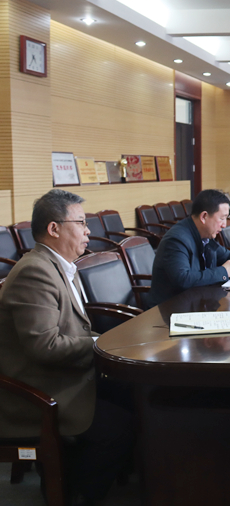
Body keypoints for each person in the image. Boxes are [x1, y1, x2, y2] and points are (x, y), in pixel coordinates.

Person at [0, 189, 135, 505]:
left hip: (64, 374)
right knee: (121, 427)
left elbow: (75, 331)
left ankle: (79, 477)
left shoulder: (60, 266)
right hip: (37, 391)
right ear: (54, 228)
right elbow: (44, 347)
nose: (88, 231)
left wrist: (106, 343)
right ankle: (73, 493)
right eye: (81, 222)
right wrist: (102, 346)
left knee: (136, 395)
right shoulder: (35, 272)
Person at [148, 189, 230, 307]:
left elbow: (227, 255)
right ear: (204, 217)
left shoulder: (204, 234)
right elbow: (183, 279)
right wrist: (224, 272)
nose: (224, 225)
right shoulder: (177, 240)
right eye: (222, 218)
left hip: (197, 302)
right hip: (172, 309)